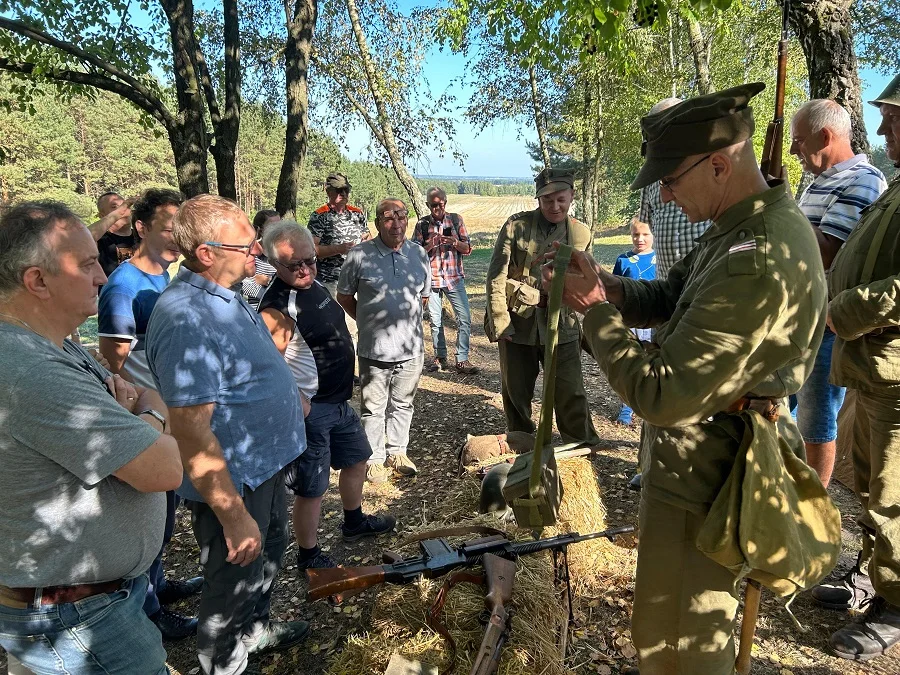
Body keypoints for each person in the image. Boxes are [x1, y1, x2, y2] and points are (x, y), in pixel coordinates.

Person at [545, 83, 826, 673]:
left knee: (678, 644)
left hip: (708, 478)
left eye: (671, 182)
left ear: (720, 164)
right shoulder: (739, 225)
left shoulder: (759, 253)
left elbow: (664, 395)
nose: (666, 197)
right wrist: (611, 288)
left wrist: (596, 310)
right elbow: (675, 295)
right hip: (694, 467)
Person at [0, 200, 182, 674]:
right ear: (37, 280)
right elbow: (162, 467)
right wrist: (152, 415)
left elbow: (137, 398)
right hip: (75, 618)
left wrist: (138, 411)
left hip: (81, 604)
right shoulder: (29, 370)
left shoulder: (53, 346)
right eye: (85, 264)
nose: (103, 276)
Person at [146, 195, 309, 675]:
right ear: (205, 253)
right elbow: (191, 430)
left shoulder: (224, 294)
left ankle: (253, 633)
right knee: (232, 577)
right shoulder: (184, 318)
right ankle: (222, 664)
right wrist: (235, 518)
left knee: (267, 557)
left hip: (265, 466)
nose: (257, 252)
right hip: (235, 480)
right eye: (246, 245)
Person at [258, 221, 396, 570]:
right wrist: (298, 402)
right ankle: (309, 555)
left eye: (310, 260)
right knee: (313, 487)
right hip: (312, 410)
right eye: (295, 265)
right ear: (275, 264)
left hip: (338, 402)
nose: (305, 269)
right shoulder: (277, 305)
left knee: (357, 459)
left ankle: (354, 521)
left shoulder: (313, 283)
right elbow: (267, 365)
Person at [97, 187, 202, 640]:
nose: (176, 238)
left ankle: (158, 585)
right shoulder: (123, 286)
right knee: (150, 516)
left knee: (166, 512)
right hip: (149, 423)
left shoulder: (163, 279)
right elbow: (113, 363)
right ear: (140, 228)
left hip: (171, 419)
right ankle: (148, 612)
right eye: (167, 229)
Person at [821, 73, 900, 662]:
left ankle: (896, 607)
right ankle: (873, 580)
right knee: (873, 487)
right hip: (872, 367)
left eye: (893, 118)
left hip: (894, 370)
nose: (881, 128)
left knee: (896, 494)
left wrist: (847, 307)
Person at [787, 99, 887, 489]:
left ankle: (814, 500)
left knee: (816, 414)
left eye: (798, 141)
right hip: (800, 313)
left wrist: (779, 205)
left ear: (826, 136)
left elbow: (827, 249)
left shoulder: (863, 179)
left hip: (827, 320)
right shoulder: (819, 183)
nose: (794, 150)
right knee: (779, 402)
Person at [484, 168, 600, 449]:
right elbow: (496, 275)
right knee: (516, 394)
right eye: (547, 200)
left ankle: (581, 449)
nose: (554, 206)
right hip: (518, 324)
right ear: (538, 199)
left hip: (562, 326)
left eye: (561, 199)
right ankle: (522, 448)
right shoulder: (517, 226)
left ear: (572, 196)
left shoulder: (580, 233)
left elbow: (584, 280)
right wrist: (500, 322)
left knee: (570, 392)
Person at [336, 198, 431, 484]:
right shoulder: (359, 255)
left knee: (403, 404)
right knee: (373, 408)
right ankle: (375, 459)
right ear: (377, 223)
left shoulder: (418, 254)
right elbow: (344, 296)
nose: (397, 223)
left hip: (411, 349)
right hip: (374, 349)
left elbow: (423, 297)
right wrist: (368, 323)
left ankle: (398, 452)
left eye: (402, 216)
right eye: (389, 218)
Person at [639, 98, 712, 280]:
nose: (666, 197)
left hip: (704, 281)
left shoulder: (709, 169)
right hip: (665, 283)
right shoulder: (649, 177)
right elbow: (646, 221)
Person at [413, 187, 479, 375]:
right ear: (428, 205)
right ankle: (440, 357)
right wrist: (429, 245)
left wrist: (454, 242)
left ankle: (462, 359)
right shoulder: (422, 225)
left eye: (441, 204)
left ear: (446, 203)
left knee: (464, 318)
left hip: (454, 279)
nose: (438, 208)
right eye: (434, 205)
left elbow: (468, 249)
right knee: (435, 321)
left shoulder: (456, 220)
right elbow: (414, 254)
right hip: (432, 280)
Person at [307, 173, 370, 340]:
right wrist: (339, 249)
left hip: (358, 278)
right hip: (331, 280)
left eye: (346, 190)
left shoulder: (357, 213)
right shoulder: (320, 216)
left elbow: (367, 239)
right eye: (339, 190)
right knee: (335, 325)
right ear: (328, 192)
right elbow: (312, 250)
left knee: (357, 324)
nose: (344, 194)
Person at [611, 218, 656, 426]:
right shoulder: (623, 260)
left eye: (645, 235)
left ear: (654, 235)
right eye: (636, 235)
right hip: (630, 321)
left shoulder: (661, 259)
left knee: (654, 360)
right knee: (629, 361)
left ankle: (653, 404)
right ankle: (627, 407)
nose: (640, 239)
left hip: (655, 321)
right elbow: (613, 289)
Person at [92, 191, 140, 278]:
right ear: (102, 216)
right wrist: (119, 212)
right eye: (115, 207)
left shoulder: (142, 235)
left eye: (126, 205)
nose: (124, 210)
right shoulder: (100, 239)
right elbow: (83, 238)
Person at [241, 209, 280, 310]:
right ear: (260, 229)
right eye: (272, 227)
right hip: (257, 310)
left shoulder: (285, 254)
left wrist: (268, 281)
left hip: (281, 310)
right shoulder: (251, 253)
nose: (278, 230)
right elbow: (244, 285)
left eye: (280, 226)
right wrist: (269, 294)